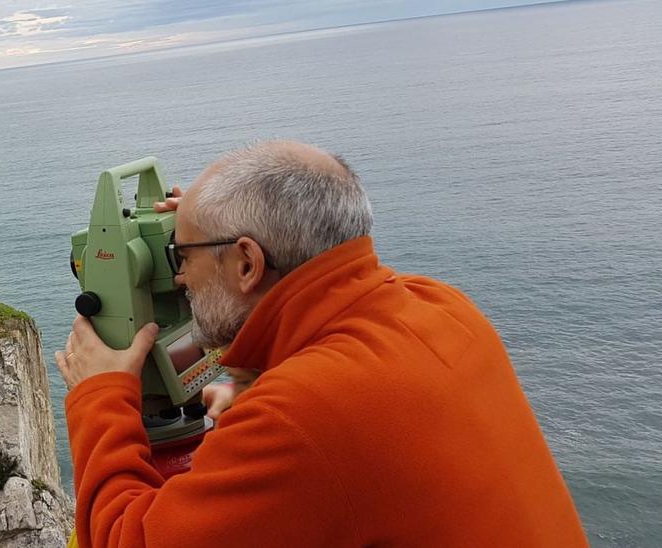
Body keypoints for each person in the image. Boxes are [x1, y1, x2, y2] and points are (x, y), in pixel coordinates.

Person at [55, 140, 586, 547]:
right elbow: (354, 408)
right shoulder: (442, 306)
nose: (178, 281)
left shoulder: (302, 417)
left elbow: (127, 538)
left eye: (183, 256)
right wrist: (248, 396)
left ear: (246, 263)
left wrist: (102, 395)